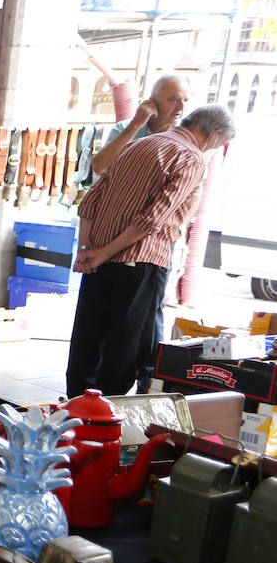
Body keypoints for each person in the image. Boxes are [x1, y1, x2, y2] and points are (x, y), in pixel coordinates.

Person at [65, 105, 234, 397]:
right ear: (214, 134)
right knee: (126, 346)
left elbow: (90, 202)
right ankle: (108, 415)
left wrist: (88, 250)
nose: (214, 150)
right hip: (140, 263)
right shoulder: (190, 158)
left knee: (89, 337)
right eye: (218, 144)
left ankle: (76, 406)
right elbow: (152, 220)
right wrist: (102, 253)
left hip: (98, 262)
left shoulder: (139, 145)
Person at [91, 73, 192, 392]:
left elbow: (189, 197)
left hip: (151, 249)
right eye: (173, 99)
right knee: (103, 322)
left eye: (185, 100)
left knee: (147, 319)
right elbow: (100, 166)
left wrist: (171, 229)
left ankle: (148, 379)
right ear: (154, 102)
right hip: (108, 244)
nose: (180, 106)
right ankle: (95, 388)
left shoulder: (184, 140)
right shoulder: (130, 130)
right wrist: (136, 124)